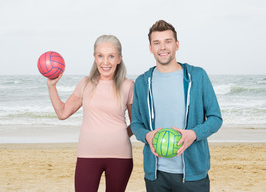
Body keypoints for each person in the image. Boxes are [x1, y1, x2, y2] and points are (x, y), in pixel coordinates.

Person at [131, 20, 223, 192]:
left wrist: (193, 134)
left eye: (168, 41)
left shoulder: (197, 75)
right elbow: (136, 124)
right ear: (150, 48)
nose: (163, 47)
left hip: (193, 174)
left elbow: (215, 118)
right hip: (156, 174)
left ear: (177, 45)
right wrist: (147, 136)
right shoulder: (143, 82)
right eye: (157, 43)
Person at [47, 35, 134, 192]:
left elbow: (136, 123)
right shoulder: (86, 83)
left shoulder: (128, 85)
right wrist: (51, 86)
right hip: (88, 154)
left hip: (120, 156)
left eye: (111, 56)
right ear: (95, 57)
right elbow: (62, 112)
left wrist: (118, 135)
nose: (105, 62)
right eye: (100, 55)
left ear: (119, 59)